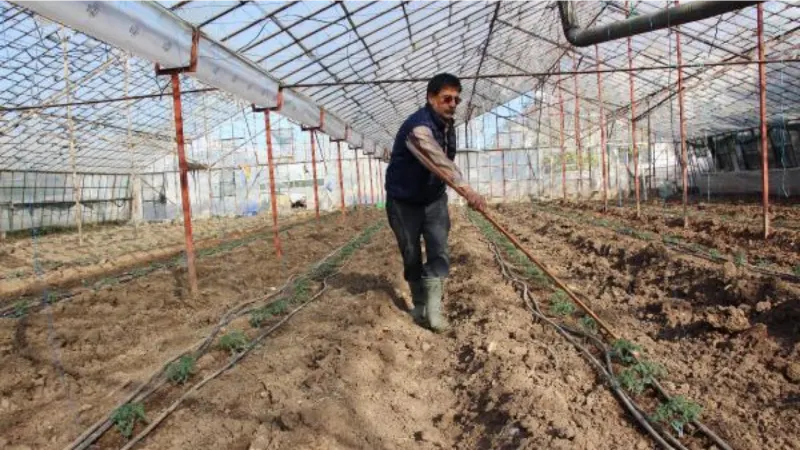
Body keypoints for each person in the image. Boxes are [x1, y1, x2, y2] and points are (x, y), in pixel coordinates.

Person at [384, 73, 486, 332]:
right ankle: (419, 303)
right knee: (410, 253)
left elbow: (446, 162)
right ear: (431, 98)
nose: (453, 104)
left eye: (456, 99)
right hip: (403, 201)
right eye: (446, 98)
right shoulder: (418, 128)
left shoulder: (447, 125)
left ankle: (434, 311)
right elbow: (438, 161)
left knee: (439, 249)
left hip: (433, 199)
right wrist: (467, 190)